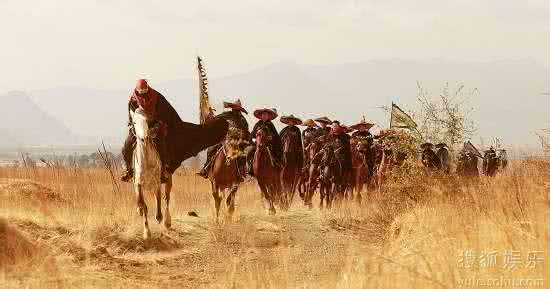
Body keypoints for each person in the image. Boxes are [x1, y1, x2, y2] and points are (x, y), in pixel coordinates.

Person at [120, 79, 179, 183]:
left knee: (162, 147)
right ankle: (128, 170)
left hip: (154, 128)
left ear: (147, 89)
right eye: (140, 92)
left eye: (144, 92)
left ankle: (162, 172)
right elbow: (131, 117)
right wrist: (133, 127)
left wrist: (156, 127)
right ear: (137, 91)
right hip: (138, 129)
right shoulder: (133, 100)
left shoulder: (157, 97)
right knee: (126, 147)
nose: (143, 94)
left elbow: (163, 115)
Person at [197, 99, 250, 178]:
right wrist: (210, 115)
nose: (234, 109)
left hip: (237, 141)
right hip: (225, 138)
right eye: (233, 107)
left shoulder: (243, 120)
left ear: (239, 109)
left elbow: (246, 131)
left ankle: (240, 172)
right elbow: (215, 118)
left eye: (236, 108)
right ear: (232, 108)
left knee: (242, 155)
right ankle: (206, 168)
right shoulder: (227, 114)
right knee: (211, 149)